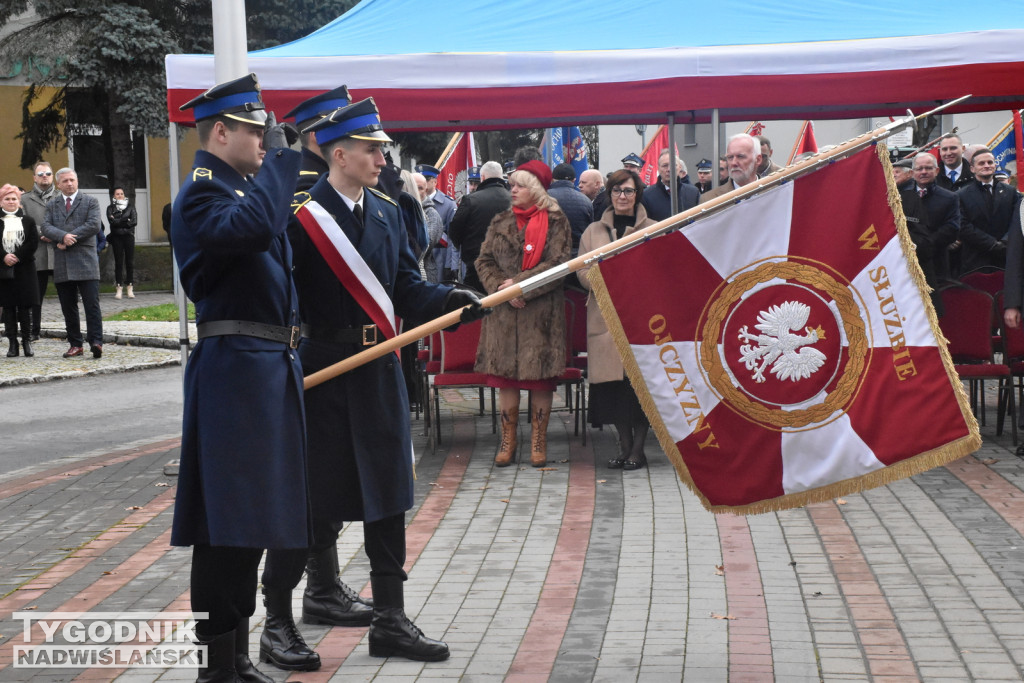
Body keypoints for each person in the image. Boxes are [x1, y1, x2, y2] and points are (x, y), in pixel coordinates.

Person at [264, 97, 485, 668]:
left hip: (381, 369)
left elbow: (407, 289)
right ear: (340, 154)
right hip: (324, 370)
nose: (382, 157)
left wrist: (451, 301)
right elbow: (280, 299)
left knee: (388, 498)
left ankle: (389, 618)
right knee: (314, 500)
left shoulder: (388, 213)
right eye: (371, 149)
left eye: (382, 148)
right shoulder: (300, 217)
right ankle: (280, 620)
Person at [171, 72, 305, 682]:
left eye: (267, 132)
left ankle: (236, 656)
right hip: (234, 377)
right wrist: (282, 159)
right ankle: (217, 664)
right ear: (219, 132)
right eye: (255, 130)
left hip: (263, 373)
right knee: (226, 527)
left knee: (250, 523)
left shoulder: (241, 189)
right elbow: (248, 231)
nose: (264, 140)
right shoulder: (200, 195)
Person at [475, 160, 571, 468]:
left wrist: (520, 287)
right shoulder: (500, 220)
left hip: (540, 314)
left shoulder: (557, 221)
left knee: (539, 378)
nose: (512, 189)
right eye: (511, 184)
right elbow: (483, 261)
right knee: (506, 378)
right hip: (504, 313)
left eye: (519, 185)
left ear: (537, 190)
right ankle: (508, 440)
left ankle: (538, 440)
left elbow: (558, 264)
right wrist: (501, 291)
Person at [578, 169, 654, 469]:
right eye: (617, 191)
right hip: (605, 319)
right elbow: (581, 271)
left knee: (640, 390)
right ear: (609, 194)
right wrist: (603, 278)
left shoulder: (654, 228)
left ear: (638, 195)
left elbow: (660, 272)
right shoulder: (593, 231)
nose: (622, 197)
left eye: (629, 191)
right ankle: (623, 446)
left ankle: (638, 450)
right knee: (614, 390)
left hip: (641, 319)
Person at [41, 168, 103, 359]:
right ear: (58, 184)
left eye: (72, 180)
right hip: (63, 263)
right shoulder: (52, 204)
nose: (69, 183)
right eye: (65, 181)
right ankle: (75, 344)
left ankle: (96, 341)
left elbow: (94, 225)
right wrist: (62, 236)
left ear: (77, 181)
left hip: (86, 261)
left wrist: (69, 238)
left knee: (91, 304)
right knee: (68, 307)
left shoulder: (90, 201)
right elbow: (45, 226)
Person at [899, 153, 960, 315]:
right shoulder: (899, 198)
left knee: (935, 313)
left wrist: (924, 245)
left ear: (937, 170)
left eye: (928, 168)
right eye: (919, 168)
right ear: (912, 173)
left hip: (936, 263)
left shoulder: (949, 198)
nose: (923, 172)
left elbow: (952, 228)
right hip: (907, 265)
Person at [956, 148, 1021, 275]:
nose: (986, 166)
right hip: (975, 259)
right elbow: (962, 225)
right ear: (972, 168)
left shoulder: (1010, 192)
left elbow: (1018, 219)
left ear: (995, 165)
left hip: (1006, 257)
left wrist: (1005, 242)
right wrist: (991, 244)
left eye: (990, 162)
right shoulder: (961, 195)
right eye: (981, 163)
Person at [449, 160, 510, 292]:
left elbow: (454, 231)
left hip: (476, 267)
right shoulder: (515, 200)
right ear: (501, 176)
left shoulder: (471, 200)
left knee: (475, 307)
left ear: (482, 178)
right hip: (508, 267)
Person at [284, 85, 351, 193]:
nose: (349, 135)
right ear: (316, 135)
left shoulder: (342, 171)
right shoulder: (304, 182)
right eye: (340, 129)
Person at [0, 184, 39, 357]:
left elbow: (32, 243)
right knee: (8, 308)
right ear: (1, 201)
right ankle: (12, 344)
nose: (11, 202)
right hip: (3, 269)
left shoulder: (28, 221)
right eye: (7, 199)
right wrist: (4, 256)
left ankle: (26, 342)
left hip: (24, 268)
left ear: (19, 200)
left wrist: (16, 256)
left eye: (14, 198)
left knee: (25, 307)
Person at [23, 161, 55, 340]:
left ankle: (72, 330)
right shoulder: (24, 199)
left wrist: (55, 233)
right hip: (38, 254)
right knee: (36, 295)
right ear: (35, 177)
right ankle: (33, 331)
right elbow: (23, 222)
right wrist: (42, 232)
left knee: (68, 296)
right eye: (41, 174)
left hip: (60, 252)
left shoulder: (60, 196)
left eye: (48, 174)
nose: (45, 177)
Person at [699, 134, 763, 204]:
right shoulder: (710, 199)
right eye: (730, 157)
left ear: (758, 160)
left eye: (740, 156)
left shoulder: (774, 191)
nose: (733, 163)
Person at [547, 162, 593, 255]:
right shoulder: (586, 201)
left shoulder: (543, 197)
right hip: (577, 256)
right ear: (574, 180)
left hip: (549, 254)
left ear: (552, 179)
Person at [641, 150, 700, 220]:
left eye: (673, 165)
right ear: (658, 169)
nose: (669, 169)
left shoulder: (693, 193)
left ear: (680, 167)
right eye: (665, 165)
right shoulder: (646, 196)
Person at [106, 187, 137, 299]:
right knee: (119, 262)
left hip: (128, 237)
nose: (120, 195)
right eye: (117, 194)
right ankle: (119, 287)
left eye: (122, 193)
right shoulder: (110, 208)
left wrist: (118, 220)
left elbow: (134, 222)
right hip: (117, 237)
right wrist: (125, 220)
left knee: (130, 262)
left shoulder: (130, 207)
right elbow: (112, 222)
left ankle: (130, 286)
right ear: (114, 196)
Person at [413, 171, 445, 283]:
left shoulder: (431, 214)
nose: (415, 191)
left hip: (425, 273)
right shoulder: (401, 208)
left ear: (426, 191)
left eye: (420, 188)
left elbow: (426, 244)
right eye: (412, 187)